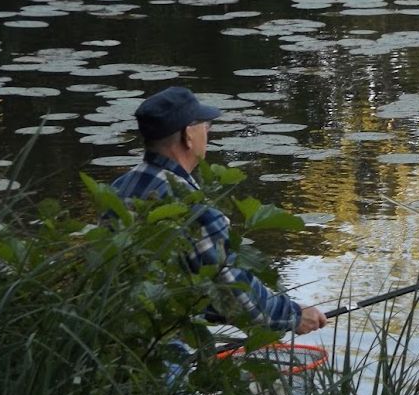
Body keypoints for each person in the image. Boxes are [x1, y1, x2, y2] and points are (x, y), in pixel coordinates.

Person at [110, 86, 327, 336]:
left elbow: (184, 287)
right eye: (204, 124)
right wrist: (293, 315)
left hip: (119, 337)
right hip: (164, 344)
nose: (208, 131)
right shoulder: (195, 211)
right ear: (187, 136)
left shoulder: (118, 189)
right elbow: (234, 291)